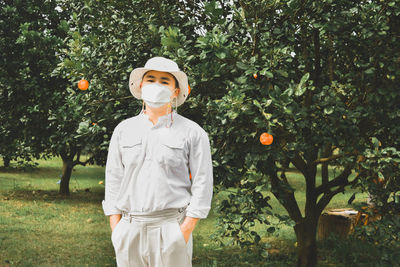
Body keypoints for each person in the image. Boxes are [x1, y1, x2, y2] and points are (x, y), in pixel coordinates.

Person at [102, 57, 213, 267]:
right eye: (151, 79)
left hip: (171, 227)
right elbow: (114, 178)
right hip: (129, 227)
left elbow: (203, 182)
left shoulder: (192, 132)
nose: (156, 85)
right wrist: (117, 229)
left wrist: (184, 230)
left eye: (164, 81)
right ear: (141, 86)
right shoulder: (123, 130)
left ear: (176, 91)